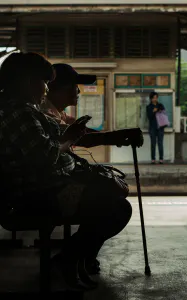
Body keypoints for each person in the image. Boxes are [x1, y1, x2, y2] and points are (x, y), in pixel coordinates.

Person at [0, 52, 141, 290]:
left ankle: (71, 259)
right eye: (43, 82)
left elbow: (63, 137)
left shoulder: (25, 111)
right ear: (26, 82)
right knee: (115, 207)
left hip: (47, 185)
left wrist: (107, 136)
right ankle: (68, 260)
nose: (46, 88)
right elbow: (45, 156)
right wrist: (69, 138)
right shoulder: (19, 114)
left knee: (111, 198)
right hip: (37, 193)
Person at [40, 63, 143, 274]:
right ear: (56, 89)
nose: (77, 91)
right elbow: (81, 137)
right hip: (50, 187)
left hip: (58, 181)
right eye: (73, 86)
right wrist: (116, 137)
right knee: (112, 205)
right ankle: (73, 256)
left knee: (110, 201)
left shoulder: (56, 112)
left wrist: (117, 135)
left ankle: (81, 255)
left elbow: (82, 132)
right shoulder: (45, 114)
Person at [146, 92, 165, 164]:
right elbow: (149, 117)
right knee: (153, 144)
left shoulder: (160, 105)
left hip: (160, 127)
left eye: (156, 97)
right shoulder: (149, 107)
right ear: (151, 98)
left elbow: (164, 114)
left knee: (160, 143)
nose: (155, 99)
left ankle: (161, 159)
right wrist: (153, 112)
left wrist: (159, 110)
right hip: (152, 128)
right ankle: (153, 159)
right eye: (153, 98)